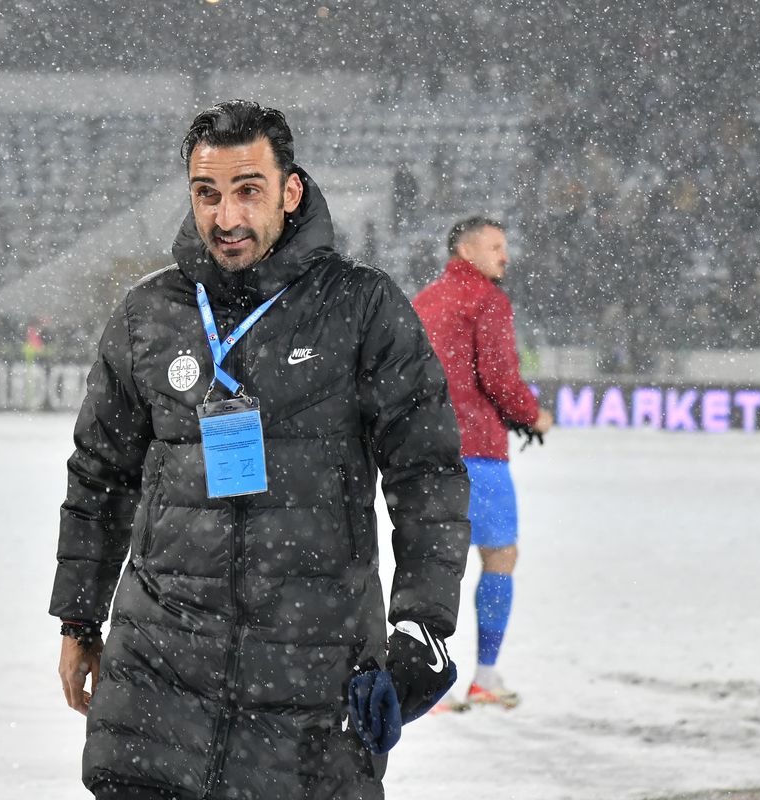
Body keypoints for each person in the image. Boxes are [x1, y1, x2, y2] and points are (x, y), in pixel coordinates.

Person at [50, 100, 471, 800]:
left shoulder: (362, 309)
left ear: (290, 190)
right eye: (207, 194)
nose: (226, 218)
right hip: (158, 668)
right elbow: (100, 476)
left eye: (248, 190)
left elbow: (426, 472)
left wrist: (423, 622)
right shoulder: (149, 316)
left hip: (312, 673)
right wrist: (78, 617)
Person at [412, 217, 554, 711]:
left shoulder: (424, 300)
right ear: (467, 251)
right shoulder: (487, 301)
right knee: (499, 556)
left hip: (426, 448)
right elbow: (497, 376)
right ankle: (484, 676)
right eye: (496, 246)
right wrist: (532, 415)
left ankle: (429, 682)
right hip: (475, 448)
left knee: (436, 562)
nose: (505, 256)